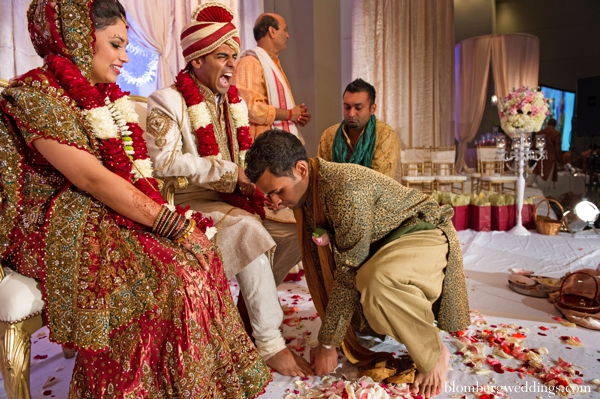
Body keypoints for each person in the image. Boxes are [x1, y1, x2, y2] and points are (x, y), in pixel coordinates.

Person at [0, 0, 271, 397]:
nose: (125, 57)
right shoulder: (36, 96)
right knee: (172, 275)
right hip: (55, 224)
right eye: (116, 44)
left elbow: (128, 174)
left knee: (200, 255)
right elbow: (91, 178)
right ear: (79, 38)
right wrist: (170, 222)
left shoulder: (103, 96)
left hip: (104, 209)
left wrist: (170, 222)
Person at [145, 3, 309, 377]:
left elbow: (247, 159)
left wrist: (261, 184)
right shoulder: (167, 101)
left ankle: (248, 317)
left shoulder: (231, 102)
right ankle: (269, 343)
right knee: (250, 231)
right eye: (223, 56)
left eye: (234, 56)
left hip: (235, 196)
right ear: (197, 60)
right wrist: (227, 172)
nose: (233, 64)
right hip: (190, 202)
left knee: (297, 223)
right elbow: (164, 164)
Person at [245, 130, 470, 399]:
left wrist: (328, 343)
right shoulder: (308, 192)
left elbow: (348, 272)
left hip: (419, 233)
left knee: (376, 282)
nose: (276, 202)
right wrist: (331, 334)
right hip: (382, 248)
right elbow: (323, 266)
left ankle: (434, 353)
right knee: (368, 302)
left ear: (301, 169)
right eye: (269, 196)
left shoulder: (344, 190)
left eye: (277, 192)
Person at [232, 13, 311, 141]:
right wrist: (289, 114)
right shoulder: (249, 63)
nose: (287, 35)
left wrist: (295, 116)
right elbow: (250, 108)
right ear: (272, 31)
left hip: (276, 144)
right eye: (284, 30)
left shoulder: (272, 63)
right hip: (260, 146)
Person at [318, 78, 401, 178]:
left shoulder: (385, 135)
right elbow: (321, 177)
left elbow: (380, 183)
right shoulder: (329, 135)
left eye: (358, 108)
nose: (351, 114)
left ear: (372, 109)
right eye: (347, 107)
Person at [529, 118, 562, 196]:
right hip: (550, 157)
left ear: (547, 124)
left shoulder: (540, 132)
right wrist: (560, 160)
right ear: (555, 124)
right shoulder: (556, 133)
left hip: (541, 155)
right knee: (548, 175)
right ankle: (546, 193)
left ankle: (529, 184)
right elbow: (557, 148)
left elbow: (534, 145)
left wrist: (537, 154)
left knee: (536, 170)